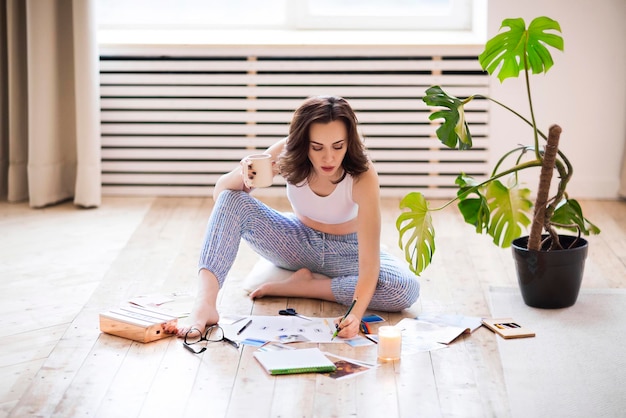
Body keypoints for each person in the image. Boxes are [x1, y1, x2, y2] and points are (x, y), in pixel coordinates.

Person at [176, 95, 419, 339]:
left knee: (404, 289)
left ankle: (308, 287)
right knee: (232, 198)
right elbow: (222, 196)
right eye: (317, 147)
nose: (329, 158)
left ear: (349, 142)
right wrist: (243, 175)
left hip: (348, 250)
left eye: (338, 146)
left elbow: (369, 264)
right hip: (295, 241)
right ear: (303, 142)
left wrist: (354, 314)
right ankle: (205, 304)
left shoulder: (363, 174)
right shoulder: (288, 151)